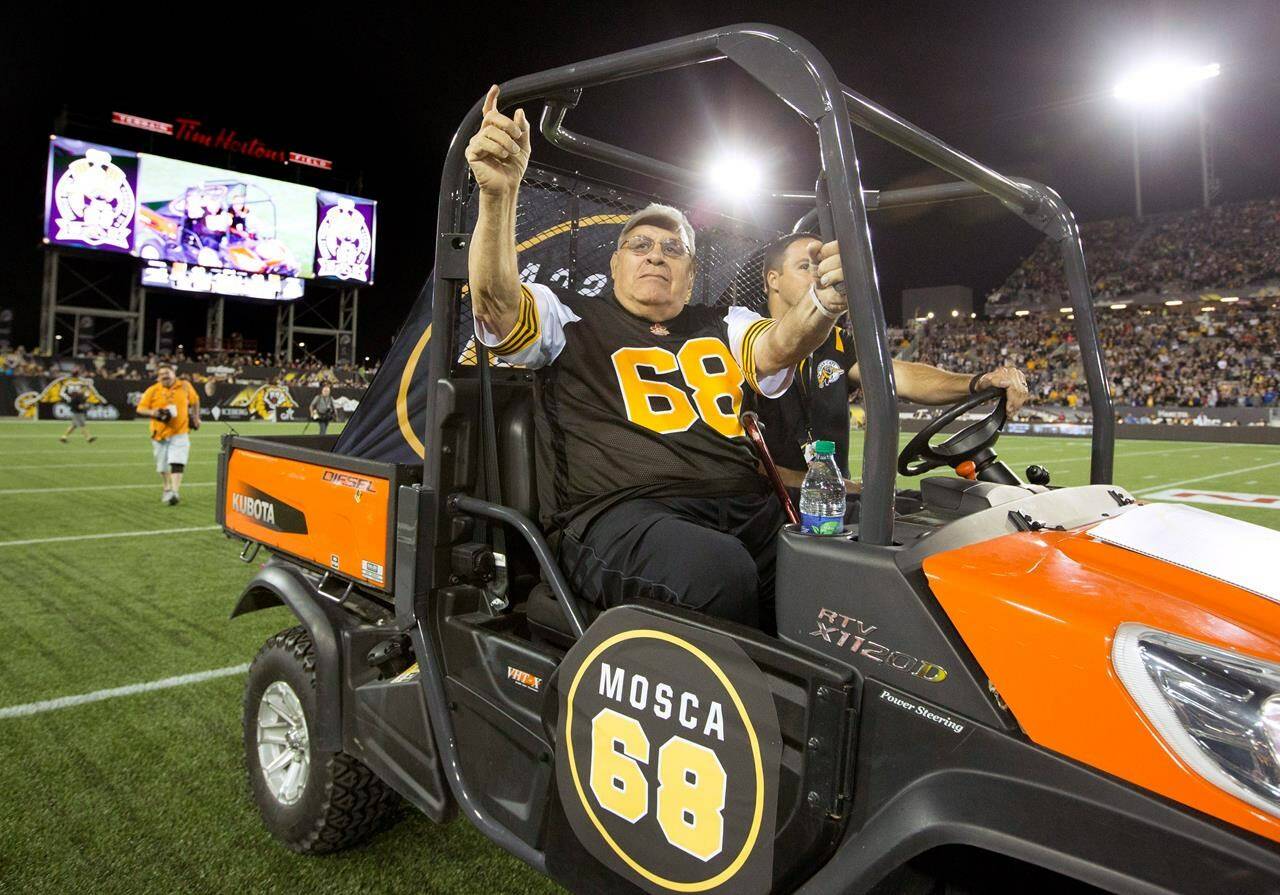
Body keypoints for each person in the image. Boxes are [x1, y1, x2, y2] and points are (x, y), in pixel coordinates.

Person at [465, 85, 848, 630]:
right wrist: (499, 196)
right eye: (640, 245)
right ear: (616, 265)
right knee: (717, 572)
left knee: (846, 564)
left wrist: (825, 301)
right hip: (620, 514)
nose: (656, 256)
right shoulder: (567, 315)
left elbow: (780, 345)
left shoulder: (725, 322)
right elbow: (497, 307)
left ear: (690, 275)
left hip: (744, 508)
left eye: (673, 249)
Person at [747, 231, 1030, 491]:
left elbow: (900, 376)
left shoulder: (835, 340)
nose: (818, 276)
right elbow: (741, 463)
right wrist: (834, 485)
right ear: (773, 279)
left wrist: (979, 381)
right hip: (774, 505)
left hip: (833, 503)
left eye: (820, 267)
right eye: (804, 267)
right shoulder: (743, 340)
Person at [136, 364, 200, 505]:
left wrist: (196, 417)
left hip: (180, 431)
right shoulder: (153, 390)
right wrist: (154, 412)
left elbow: (195, 400)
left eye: (167, 372)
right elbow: (140, 408)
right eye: (162, 374)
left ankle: (175, 492)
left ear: (173, 373)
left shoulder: (185, 386)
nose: (165, 376)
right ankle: (167, 487)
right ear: (158, 377)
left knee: (178, 460)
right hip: (159, 433)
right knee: (162, 465)